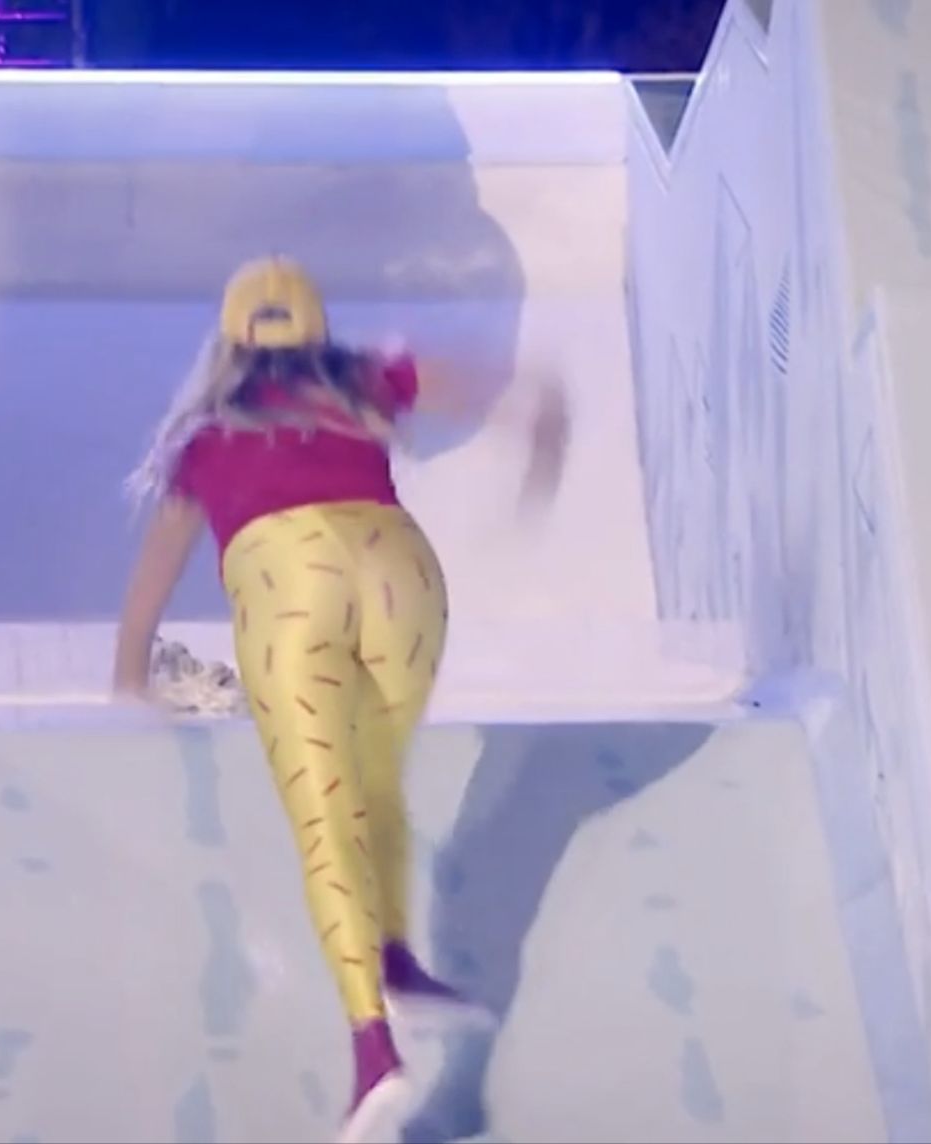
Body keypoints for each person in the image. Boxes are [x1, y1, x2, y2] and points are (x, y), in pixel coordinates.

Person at [112, 255, 569, 1142]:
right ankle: (393, 956)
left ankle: (372, 1052)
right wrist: (541, 453)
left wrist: (132, 673)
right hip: (402, 573)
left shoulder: (202, 439)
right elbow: (518, 395)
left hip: (292, 584)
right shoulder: (367, 379)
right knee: (377, 778)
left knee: (325, 812)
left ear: (227, 346)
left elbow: (154, 576)